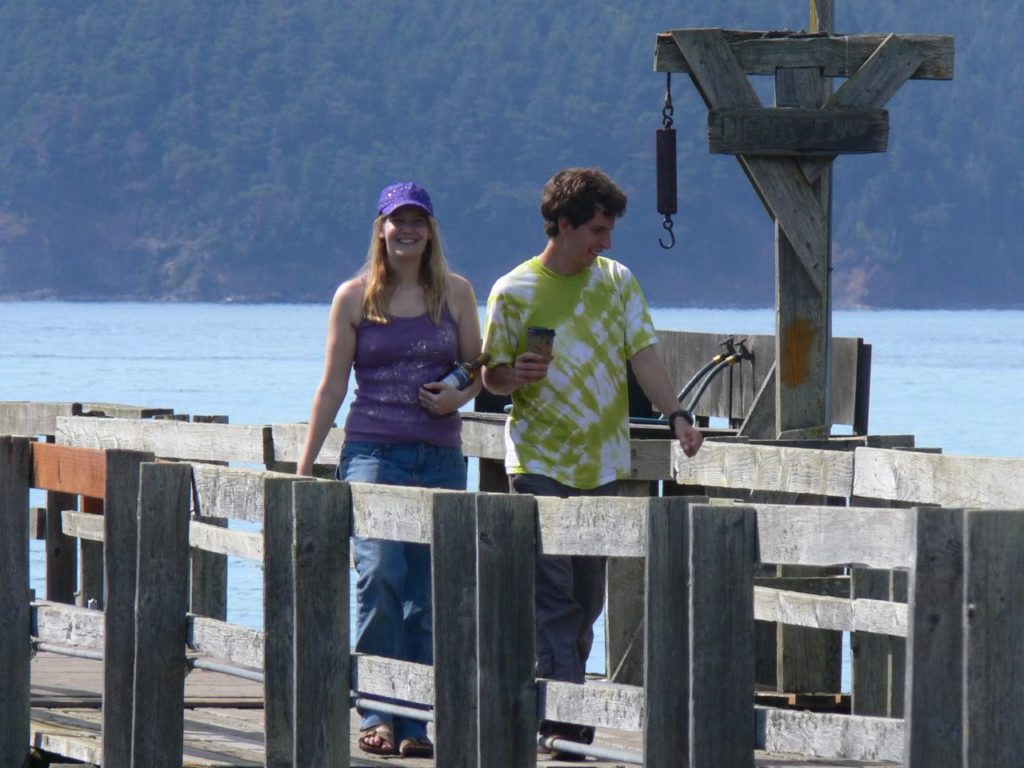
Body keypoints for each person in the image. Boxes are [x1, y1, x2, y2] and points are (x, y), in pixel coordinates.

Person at [480, 167, 703, 755]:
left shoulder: (618, 282)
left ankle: (564, 712)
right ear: (563, 224)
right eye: (597, 231)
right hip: (538, 460)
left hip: (603, 464)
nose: (605, 242)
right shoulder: (513, 290)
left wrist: (677, 414)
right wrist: (513, 375)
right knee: (553, 596)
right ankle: (564, 724)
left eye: (608, 232)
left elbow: (644, 357)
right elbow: (490, 377)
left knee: (587, 601)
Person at [296, 181, 482, 759]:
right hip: (373, 453)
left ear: (431, 230)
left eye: (417, 221)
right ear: (381, 229)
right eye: (397, 220)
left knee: (427, 593)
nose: (408, 230)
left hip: (440, 457)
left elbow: (476, 368)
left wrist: (457, 398)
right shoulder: (354, 297)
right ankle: (378, 712)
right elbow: (331, 387)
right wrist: (305, 466)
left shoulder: (456, 292)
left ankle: (416, 722)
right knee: (379, 575)